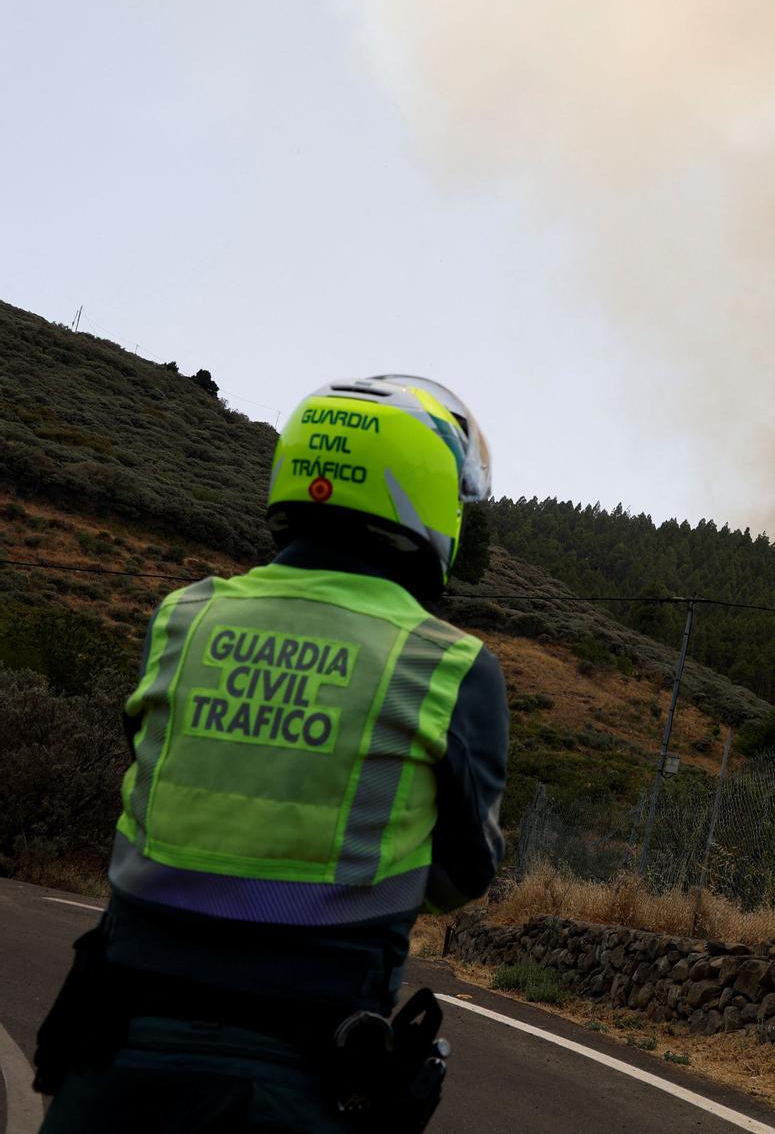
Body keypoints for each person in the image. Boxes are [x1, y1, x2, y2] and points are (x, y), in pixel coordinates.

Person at [35, 375, 509, 1133]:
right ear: (424, 494)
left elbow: (153, 769)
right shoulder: (448, 664)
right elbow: (463, 873)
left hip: (116, 1050)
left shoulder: (183, 618)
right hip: (302, 1071)